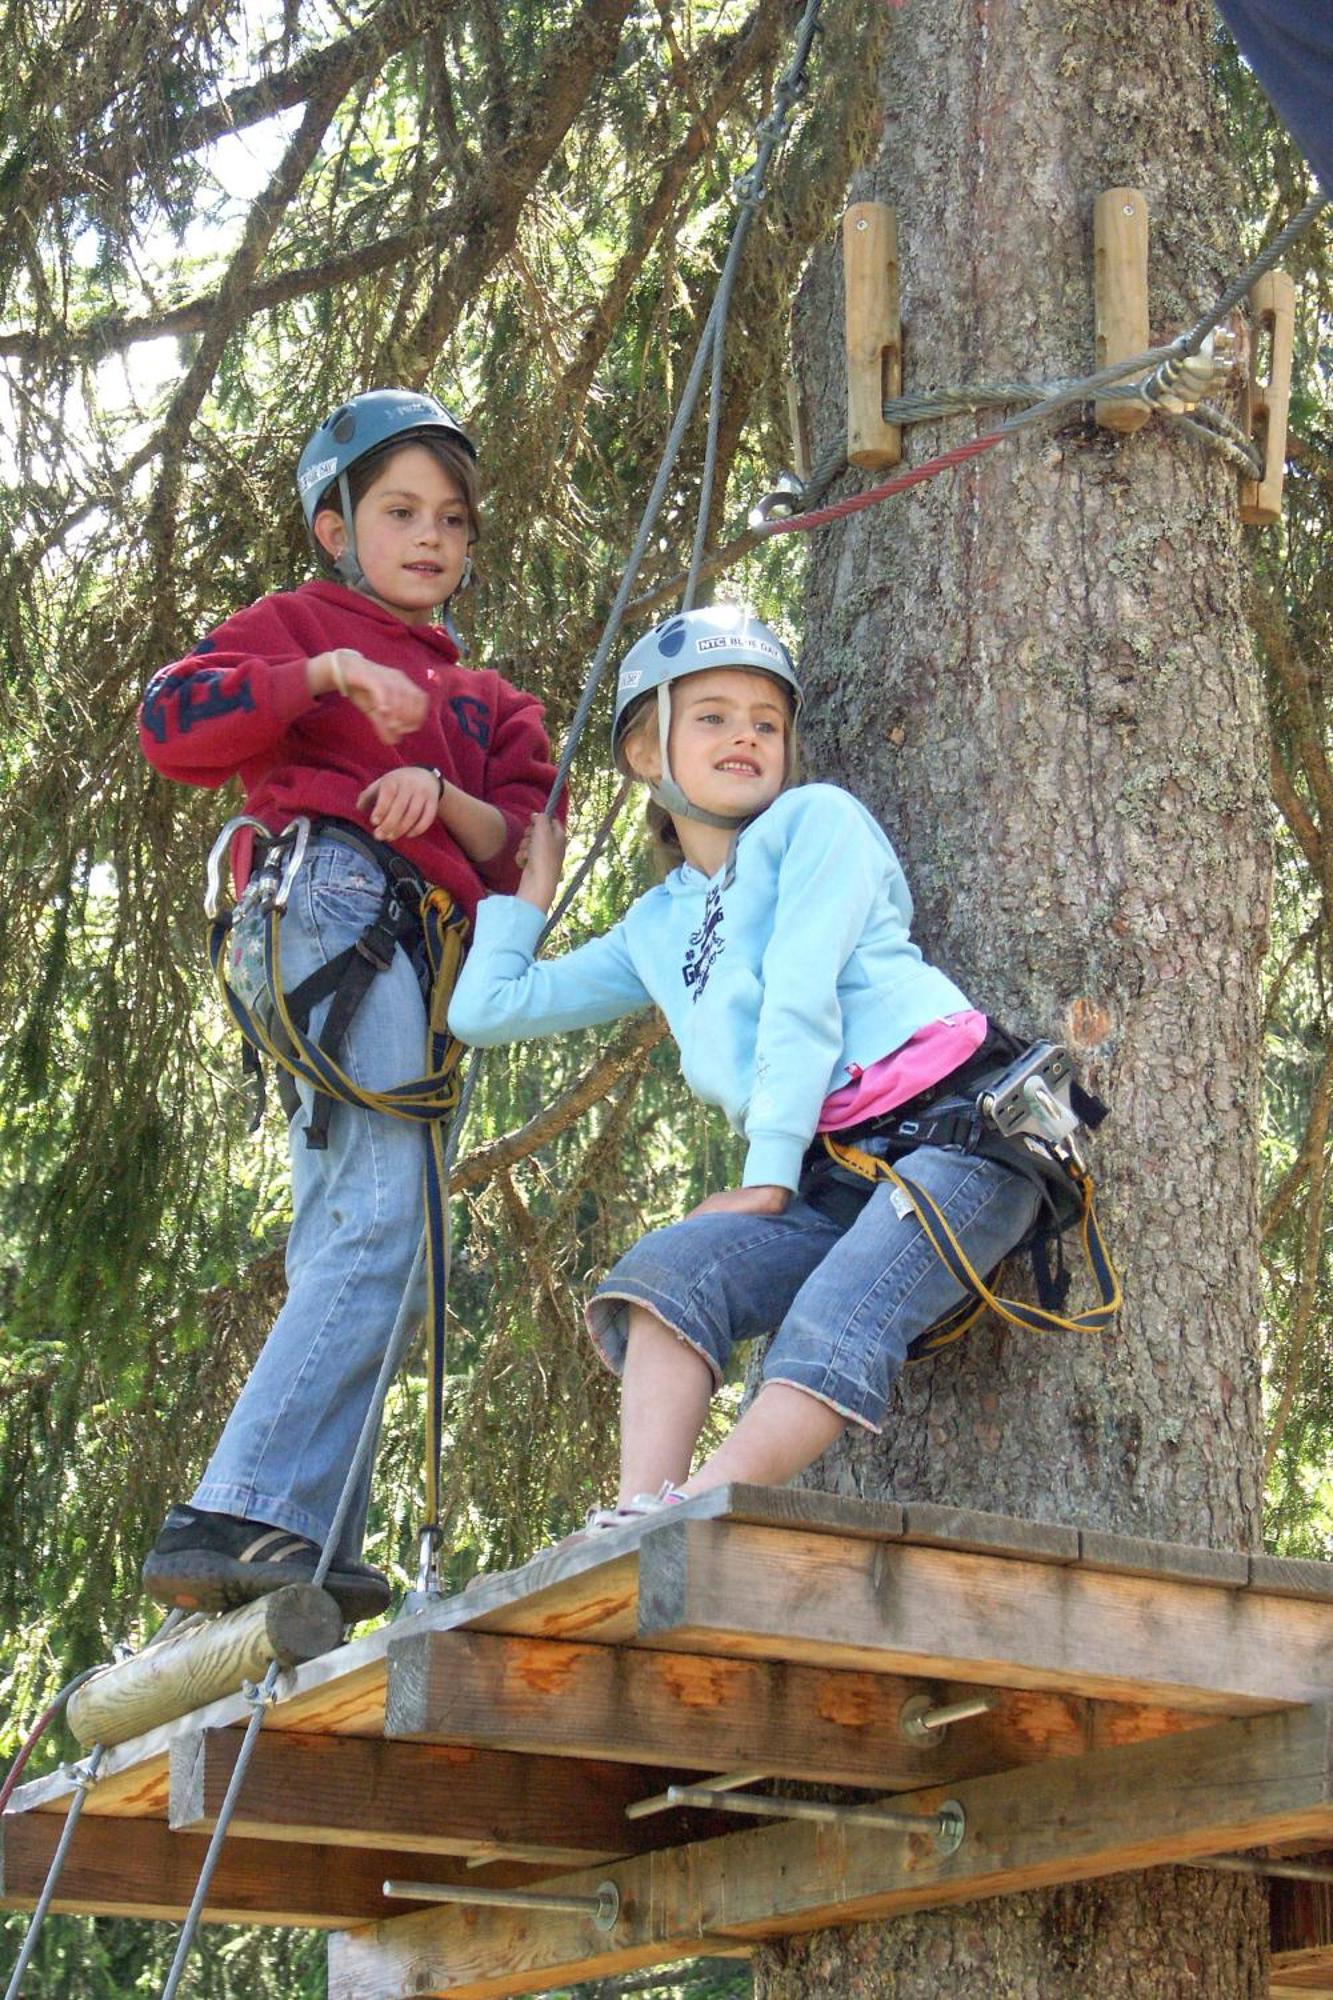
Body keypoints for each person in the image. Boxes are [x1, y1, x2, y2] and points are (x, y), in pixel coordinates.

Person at [446, 603, 1046, 1526]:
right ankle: (636, 1522)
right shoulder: (655, 926)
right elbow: (488, 1011)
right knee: (668, 1275)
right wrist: (529, 893)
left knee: (834, 1316)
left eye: (766, 722)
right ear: (647, 755)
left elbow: (798, 999)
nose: (746, 736)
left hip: (963, 1135)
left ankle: (698, 1511)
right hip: (832, 1174)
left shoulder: (819, 824)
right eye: (713, 716)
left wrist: (765, 1181)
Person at [137, 388, 558, 1619]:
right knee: (382, 1219)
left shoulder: (486, 703)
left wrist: (446, 791)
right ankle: (245, 1507)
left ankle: (296, 1533)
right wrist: (321, 671)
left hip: (421, 959)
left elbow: (531, 845)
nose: (431, 537)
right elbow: (172, 720)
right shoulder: (296, 623)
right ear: (335, 527)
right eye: (398, 511)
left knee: (359, 1232)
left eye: (453, 520)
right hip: (329, 907)